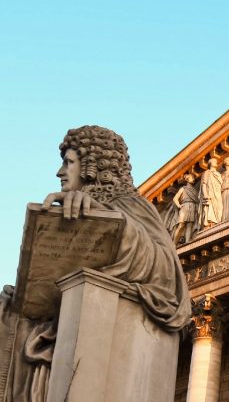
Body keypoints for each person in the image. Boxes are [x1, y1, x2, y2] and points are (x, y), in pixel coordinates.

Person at [1, 125, 191, 402]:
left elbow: (165, 272)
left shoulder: (129, 205)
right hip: (58, 338)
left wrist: (106, 219)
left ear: (90, 165)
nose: (60, 172)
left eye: (68, 163)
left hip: (93, 347)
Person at [171, 172, 198, 244]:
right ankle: (174, 243)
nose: (193, 179)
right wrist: (179, 205)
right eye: (192, 178)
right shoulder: (183, 188)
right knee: (181, 225)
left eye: (194, 178)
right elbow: (175, 198)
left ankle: (187, 242)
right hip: (185, 206)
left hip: (192, 206)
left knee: (190, 224)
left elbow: (197, 201)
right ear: (187, 179)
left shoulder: (195, 191)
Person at [199, 158, 223, 227]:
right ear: (210, 163)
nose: (216, 162)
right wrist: (205, 194)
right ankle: (211, 222)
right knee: (210, 207)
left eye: (216, 161)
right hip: (210, 193)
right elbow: (204, 184)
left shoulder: (218, 174)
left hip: (218, 193)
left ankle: (218, 221)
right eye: (214, 161)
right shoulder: (207, 172)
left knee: (219, 207)